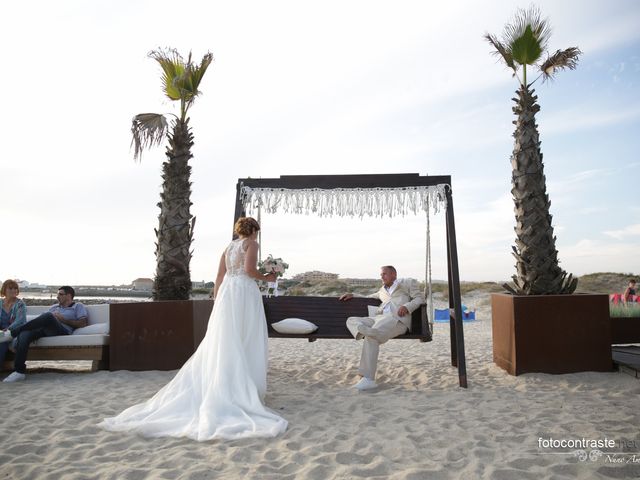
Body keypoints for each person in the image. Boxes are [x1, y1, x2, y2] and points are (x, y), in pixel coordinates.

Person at [99, 217, 287, 440]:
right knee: (245, 336)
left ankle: (226, 382)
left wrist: (218, 300)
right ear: (254, 230)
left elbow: (220, 275)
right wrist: (267, 277)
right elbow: (248, 270)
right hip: (244, 293)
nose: (257, 234)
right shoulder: (252, 244)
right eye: (257, 230)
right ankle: (243, 388)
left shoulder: (228, 247)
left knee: (225, 339)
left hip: (227, 293)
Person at [339, 266, 424, 391]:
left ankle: (368, 379)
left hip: (397, 320)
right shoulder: (382, 290)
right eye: (381, 274)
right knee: (351, 320)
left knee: (371, 336)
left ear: (394, 274)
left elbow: (419, 298)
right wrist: (353, 295)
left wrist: (407, 306)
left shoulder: (408, 282)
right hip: (378, 319)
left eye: (384, 274)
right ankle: (368, 331)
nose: (381, 277)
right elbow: (369, 296)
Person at [1, 285, 88, 383]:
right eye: (57, 294)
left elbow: (83, 323)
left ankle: (13, 332)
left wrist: (62, 319)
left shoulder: (78, 306)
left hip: (62, 330)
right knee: (25, 334)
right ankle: (19, 372)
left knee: (49, 316)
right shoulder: (54, 307)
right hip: (45, 330)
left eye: (60, 294)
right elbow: (41, 320)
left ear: (69, 296)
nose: (57, 297)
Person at [0, 280, 27, 368]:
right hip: (1, 332)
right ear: (4, 290)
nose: (14, 290)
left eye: (15, 288)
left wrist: (7, 329)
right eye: (10, 288)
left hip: (14, 331)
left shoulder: (20, 304)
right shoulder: (0, 303)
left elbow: (20, 321)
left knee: (2, 342)